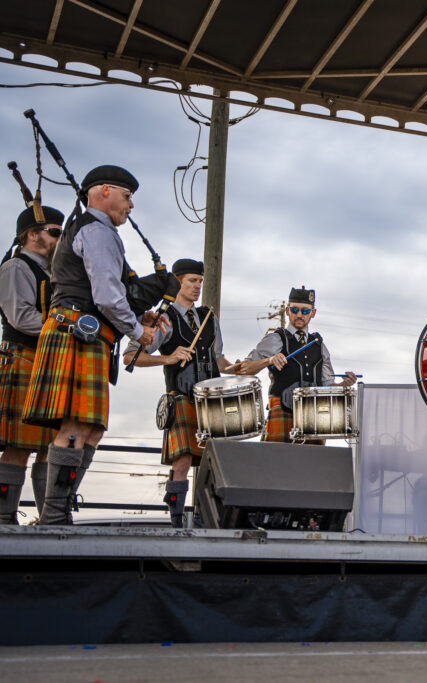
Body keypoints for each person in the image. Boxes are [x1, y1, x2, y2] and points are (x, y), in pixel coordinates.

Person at [22, 166, 164, 525]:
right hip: (77, 330)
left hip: (85, 332)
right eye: (127, 196)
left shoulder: (90, 229)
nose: (130, 205)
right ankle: (54, 516)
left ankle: (59, 509)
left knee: (92, 429)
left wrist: (137, 320)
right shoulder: (97, 231)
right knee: (77, 425)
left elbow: (104, 293)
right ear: (104, 191)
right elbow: (107, 296)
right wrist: (138, 332)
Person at [122, 258, 236, 527]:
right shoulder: (164, 318)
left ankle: (204, 518)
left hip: (211, 399)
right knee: (183, 460)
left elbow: (219, 359)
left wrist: (240, 368)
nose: (197, 287)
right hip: (182, 395)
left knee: (213, 461)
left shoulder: (209, 317)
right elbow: (130, 357)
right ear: (177, 283)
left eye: (200, 281)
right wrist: (169, 358)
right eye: (191, 281)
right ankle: (175, 520)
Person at [0, 206, 63, 524]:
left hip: (45, 362)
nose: (58, 239)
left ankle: (49, 519)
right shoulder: (15, 266)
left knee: (52, 446)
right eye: (54, 232)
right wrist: (65, 327)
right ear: (31, 234)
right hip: (22, 358)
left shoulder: (54, 273)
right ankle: (3, 517)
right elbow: (21, 317)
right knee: (19, 446)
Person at [238, 287, 356, 443]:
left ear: (313, 313)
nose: (299, 315)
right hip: (282, 411)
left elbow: (327, 384)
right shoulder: (275, 339)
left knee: (313, 467)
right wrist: (269, 360)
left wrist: (343, 385)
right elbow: (244, 368)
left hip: (314, 418)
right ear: (287, 311)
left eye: (305, 311)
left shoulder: (319, 345)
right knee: (274, 464)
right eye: (295, 310)